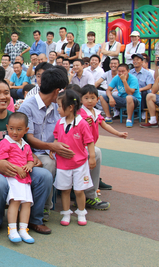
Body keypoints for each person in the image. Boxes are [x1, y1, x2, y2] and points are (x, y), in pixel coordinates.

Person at [19, 66, 110, 220]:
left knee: (96, 153)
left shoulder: (58, 105)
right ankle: (46, 207)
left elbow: (73, 125)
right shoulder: (27, 107)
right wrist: (52, 147)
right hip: (37, 152)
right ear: (57, 91)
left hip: (59, 147)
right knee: (49, 164)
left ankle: (89, 195)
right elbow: (27, 138)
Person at [0, 79, 53, 237]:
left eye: (6, 93)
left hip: (19, 168)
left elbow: (24, 144)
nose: (3, 97)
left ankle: (35, 219)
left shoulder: (16, 118)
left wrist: (33, 158)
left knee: (44, 176)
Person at [53, 89, 95, 226]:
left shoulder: (82, 123)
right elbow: (56, 138)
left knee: (79, 190)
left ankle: (81, 212)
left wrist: (92, 157)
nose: (58, 109)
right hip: (63, 164)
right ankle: (66, 213)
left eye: (60, 106)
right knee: (65, 190)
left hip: (80, 164)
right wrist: (53, 149)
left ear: (70, 107)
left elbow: (89, 141)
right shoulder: (59, 123)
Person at [78, 84, 127, 191]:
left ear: (97, 99)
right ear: (81, 100)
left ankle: (92, 186)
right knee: (86, 165)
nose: (89, 101)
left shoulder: (96, 113)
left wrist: (118, 133)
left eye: (92, 98)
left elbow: (105, 125)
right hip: (81, 145)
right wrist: (83, 122)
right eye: (86, 98)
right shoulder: (80, 113)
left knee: (92, 164)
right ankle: (84, 188)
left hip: (91, 144)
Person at [0, 112, 35, 244]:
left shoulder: (26, 145)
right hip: (13, 177)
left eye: (19, 129)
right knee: (16, 201)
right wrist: (17, 168)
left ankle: (23, 229)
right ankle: (12, 229)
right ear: (7, 127)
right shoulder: (5, 142)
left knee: (27, 203)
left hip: (25, 179)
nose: (14, 132)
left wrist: (30, 165)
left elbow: (31, 159)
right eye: (11, 128)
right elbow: (1, 160)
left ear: (26, 130)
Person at [99, 63, 142, 127]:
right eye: (119, 71)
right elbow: (108, 90)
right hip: (121, 99)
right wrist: (110, 98)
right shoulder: (116, 78)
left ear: (128, 71)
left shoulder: (133, 79)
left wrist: (124, 81)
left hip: (134, 100)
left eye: (123, 71)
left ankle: (129, 119)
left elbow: (130, 93)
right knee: (102, 96)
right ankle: (108, 117)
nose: (121, 73)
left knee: (129, 97)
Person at [129, 54, 154, 118]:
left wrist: (140, 89)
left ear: (142, 62)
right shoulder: (130, 73)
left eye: (137, 60)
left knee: (144, 93)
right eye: (134, 60)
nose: (135, 61)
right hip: (132, 91)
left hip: (142, 91)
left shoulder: (147, 73)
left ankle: (143, 111)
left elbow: (149, 86)